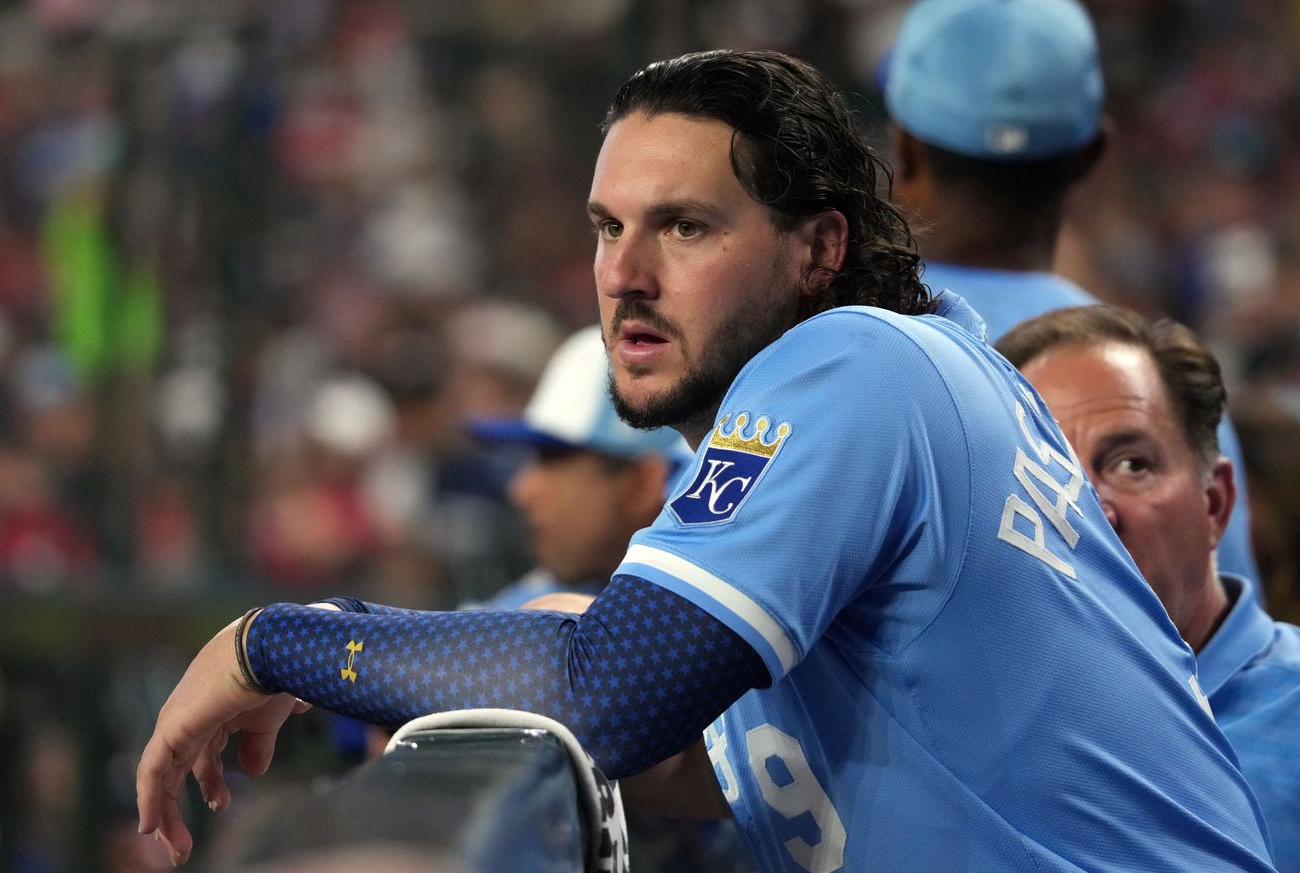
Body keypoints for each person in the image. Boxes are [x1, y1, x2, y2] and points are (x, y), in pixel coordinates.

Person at [136, 50, 1276, 871]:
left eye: (684, 227)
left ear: (817, 248)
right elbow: (697, 757)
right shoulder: (911, 379)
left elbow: (609, 700)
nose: (623, 272)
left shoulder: (851, 364)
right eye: (603, 226)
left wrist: (272, 643)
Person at [882, 0, 1261, 584]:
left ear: (902, 147)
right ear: (1090, 158)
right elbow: (1221, 655)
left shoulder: (795, 343)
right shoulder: (1161, 384)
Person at [997, 304, 1300, 870]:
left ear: (1215, 504)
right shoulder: (964, 717)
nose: (1091, 514)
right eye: (1048, 474)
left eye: (1131, 464)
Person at [467, 323, 691, 609]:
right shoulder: (547, 595)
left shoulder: (724, 615)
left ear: (642, 485)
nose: (521, 490)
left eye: (552, 459)